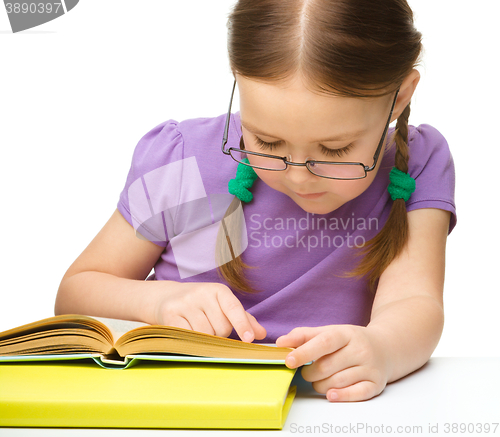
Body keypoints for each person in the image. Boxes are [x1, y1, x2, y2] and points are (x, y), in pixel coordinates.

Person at [54, 0, 456, 402]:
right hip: (175, 401)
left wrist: (383, 349)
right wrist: (158, 302)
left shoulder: (417, 163)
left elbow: (414, 301)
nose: (298, 175)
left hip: (326, 412)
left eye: (335, 149)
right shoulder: (182, 158)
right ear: (237, 78)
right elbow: (76, 293)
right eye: (267, 141)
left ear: (400, 96)